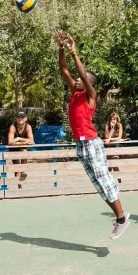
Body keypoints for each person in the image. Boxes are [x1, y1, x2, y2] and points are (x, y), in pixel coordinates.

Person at [54, 29, 130, 239]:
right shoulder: (74, 93)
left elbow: (81, 74)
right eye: (77, 78)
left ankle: (122, 218)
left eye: (82, 79)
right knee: (98, 185)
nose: (77, 80)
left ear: (89, 84)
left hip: (91, 142)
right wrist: (61, 48)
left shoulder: (91, 96)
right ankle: (120, 217)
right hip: (81, 145)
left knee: (103, 179)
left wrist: (74, 52)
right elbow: (63, 71)